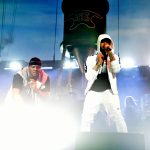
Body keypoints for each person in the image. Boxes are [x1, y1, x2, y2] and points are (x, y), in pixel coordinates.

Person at [80, 34, 128, 132]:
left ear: (111, 44)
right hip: (93, 91)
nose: (105, 45)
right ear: (99, 44)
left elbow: (116, 69)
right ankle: (83, 141)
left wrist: (110, 55)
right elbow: (88, 76)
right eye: (103, 42)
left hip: (109, 92)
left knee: (118, 116)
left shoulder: (114, 57)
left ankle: (124, 140)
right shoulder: (91, 59)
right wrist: (98, 63)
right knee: (86, 117)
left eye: (107, 42)